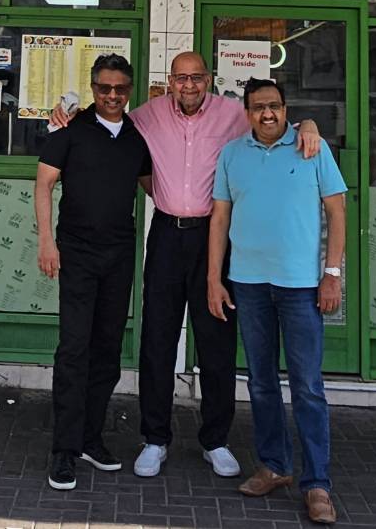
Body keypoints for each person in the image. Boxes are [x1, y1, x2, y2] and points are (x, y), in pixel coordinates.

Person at [51, 51, 321, 479]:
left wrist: (309, 125)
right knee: (157, 338)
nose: (189, 85)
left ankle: (215, 440)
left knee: (216, 338)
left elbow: (272, 122)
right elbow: (107, 114)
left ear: (208, 80)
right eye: (181, 78)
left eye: (196, 78)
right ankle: (155, 438)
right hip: (165, 234)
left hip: (213, 238)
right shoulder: (148, 114)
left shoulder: (232, 115)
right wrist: (66, 111)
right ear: (170, 80)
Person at [208, 78, 346, 523]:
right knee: (261, 382)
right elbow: (220, 218)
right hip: (248, 284)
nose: (267, 114)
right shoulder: (232, 154)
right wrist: (214, 278)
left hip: (301, 286)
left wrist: (332, 275)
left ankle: (317, 484)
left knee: (307, 386)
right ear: (247, 112)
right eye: (258, 107)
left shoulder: (311, 147)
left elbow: (337, 211)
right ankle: (275, 465)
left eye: (274, 106)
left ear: (286, 109)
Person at [35, 54, 152, 490]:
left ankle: (89, 438)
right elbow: (43, 184)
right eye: (104, 88)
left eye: (120, 88)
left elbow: (156, 186)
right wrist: (47, 242)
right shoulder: (70, 128)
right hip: (77, 254)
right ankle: (64, 449)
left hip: (119, 255)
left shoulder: (137, 136)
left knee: (107, 350)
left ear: (129, 89)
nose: (112, 95)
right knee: (74, 348)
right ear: (93, 88)